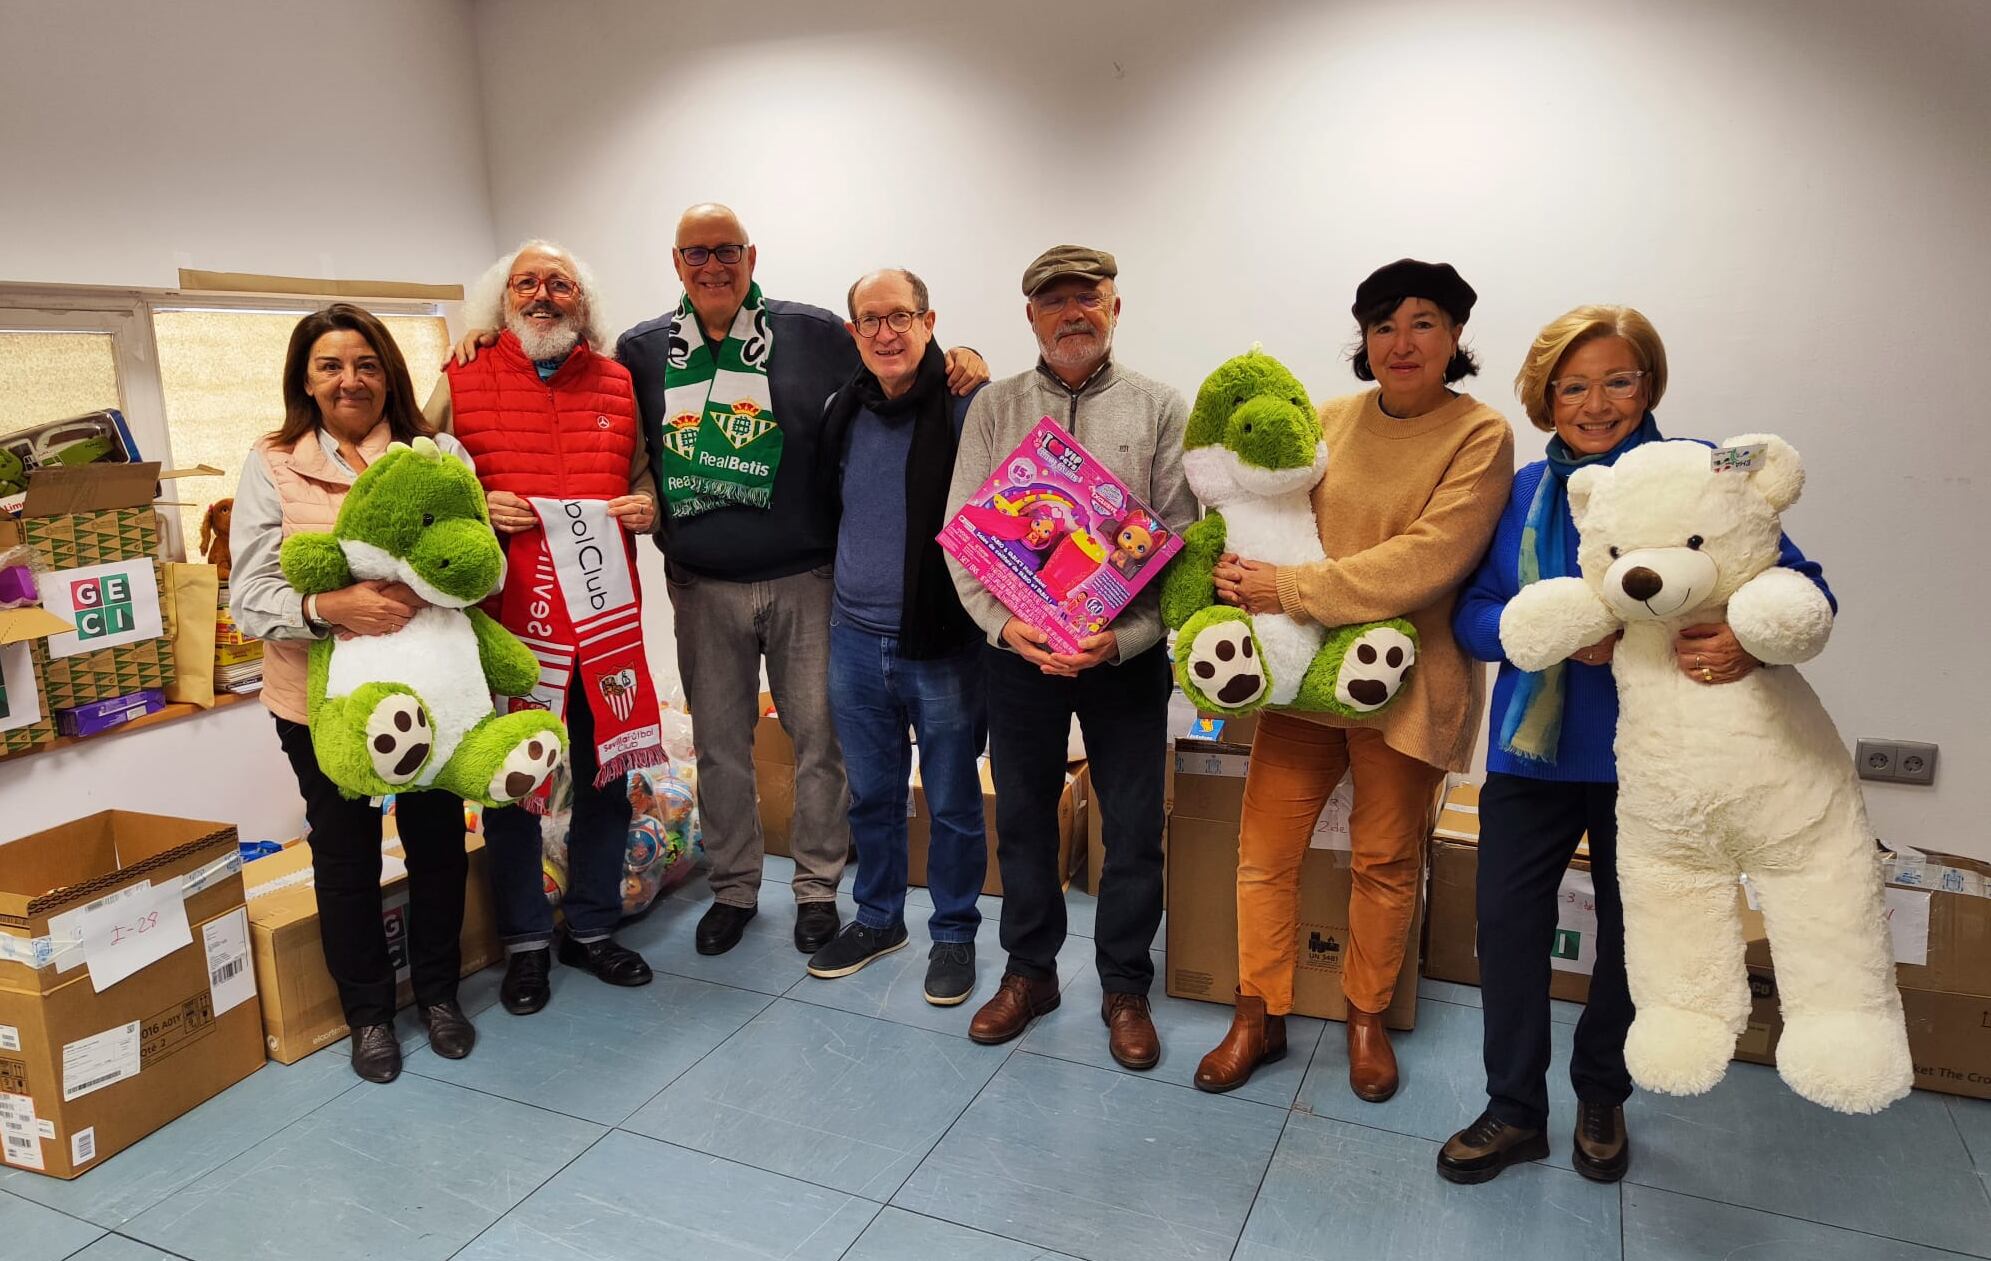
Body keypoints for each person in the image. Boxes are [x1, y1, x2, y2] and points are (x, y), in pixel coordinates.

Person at [1437, 305, 1834, 1185]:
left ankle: (1601, 1095)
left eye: (1617, 379)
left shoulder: (1699, 472)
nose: (1595, 403)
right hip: (1529, 754)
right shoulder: (1521, 495)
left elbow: (1798, 584)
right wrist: (1537, 628)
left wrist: (1743, 638)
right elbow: (1467, 616)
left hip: (1656, 761)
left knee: (1634, 934)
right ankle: (1512, 1109)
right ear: (1544, 399)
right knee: (1505, 928)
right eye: (1571, 386)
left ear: (1648, 384)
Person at [617, 204, 989, 957]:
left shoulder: (816, 331)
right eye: (696, 253)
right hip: (700, 584)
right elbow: (626, 444)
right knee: (720, 746)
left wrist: (965, 356)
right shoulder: (642, 348)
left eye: (727, 250)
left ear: (751, 256)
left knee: (821, 743)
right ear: (676, 262)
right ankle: (733, 888)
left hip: (807, 580)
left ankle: (819, 888)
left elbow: (902, 368)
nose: (712, 265)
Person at [1193, 260, 1514, 1100]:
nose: (1400, 343)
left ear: (1453, 337)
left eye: (1421, 323)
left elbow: (1429, 558)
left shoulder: (1479, 435)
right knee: (1262, 855)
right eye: (1382, 326)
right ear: (1362, 341)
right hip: (1303, 684)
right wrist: (1230, 568)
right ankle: (1256, 1012)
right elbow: (1269, 515)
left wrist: (1287, 589)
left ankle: (1364, 1017)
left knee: (1383, 859)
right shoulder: (1327, 421)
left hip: (1405, 684)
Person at [944, 245, 1195, 1068]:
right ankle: (1029, 972)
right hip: (1019, 658)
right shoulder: (994, 408)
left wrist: (1121, 638)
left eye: (1087, 298)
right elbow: (963, 535)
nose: (1071, 314)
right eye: (1053, 302)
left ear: (1115, 307)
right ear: (1030, 317)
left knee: (1131, 828)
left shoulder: (1161, 407)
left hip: (1120, 660)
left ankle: (1124, 984)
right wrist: (1000, 628)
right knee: (1020, 819)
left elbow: (1181, 544)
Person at [230, 304, 479, 1084]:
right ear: (305, 378)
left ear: (389, 374)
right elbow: (247, 596)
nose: (350, 380)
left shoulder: (435, 452)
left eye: (366, 364)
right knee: (345, 857)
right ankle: (367, 1014)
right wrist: (330, 608)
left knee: (438, 846)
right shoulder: (273, 462)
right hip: (319, 702)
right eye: (331, 365)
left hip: (429, 698)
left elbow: (469, 561)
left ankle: (438, 993)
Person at [425, 240, 660, 1017]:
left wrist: (647, 504)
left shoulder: (621, 380)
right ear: (502, 300)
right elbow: (415, 474)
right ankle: (526, 942)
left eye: (560, 284)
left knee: (606, 778)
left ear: (581, 302)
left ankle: (591, 928)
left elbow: (641, 475)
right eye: (526, 283)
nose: (543, 296)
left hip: (603, 623)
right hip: (508, 623)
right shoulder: (460, 374)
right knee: (512, 783)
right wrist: (470, 505)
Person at [804, 268, 988, 1004]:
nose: (886, 332)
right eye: (870, 320)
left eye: (900, 317)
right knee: (872, 797)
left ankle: (953, 933)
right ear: (853, 332)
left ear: (928, 320)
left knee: (950, 800)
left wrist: (968, 360)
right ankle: (879, 918)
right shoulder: (839, 410)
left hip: (942, 640)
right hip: (853, 637)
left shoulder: (969, 404)